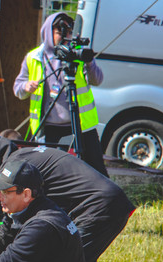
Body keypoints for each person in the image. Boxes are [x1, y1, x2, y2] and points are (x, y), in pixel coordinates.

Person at [0, 137, 135, 262]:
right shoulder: (18, 157)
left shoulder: (14, 167)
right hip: (101, 202)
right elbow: (12, 222)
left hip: (101, 205)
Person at [14, 12, 107, 176]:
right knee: (50, 172)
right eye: (60, 32)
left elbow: (97, 80)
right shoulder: (34, 57)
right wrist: (26, 86)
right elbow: (18, 89)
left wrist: (89, 61)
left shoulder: (77, 54)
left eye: (69, 32)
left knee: (95, 171)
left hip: (81, 125)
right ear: (48, 33)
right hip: (48, 128)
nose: (65, 37)